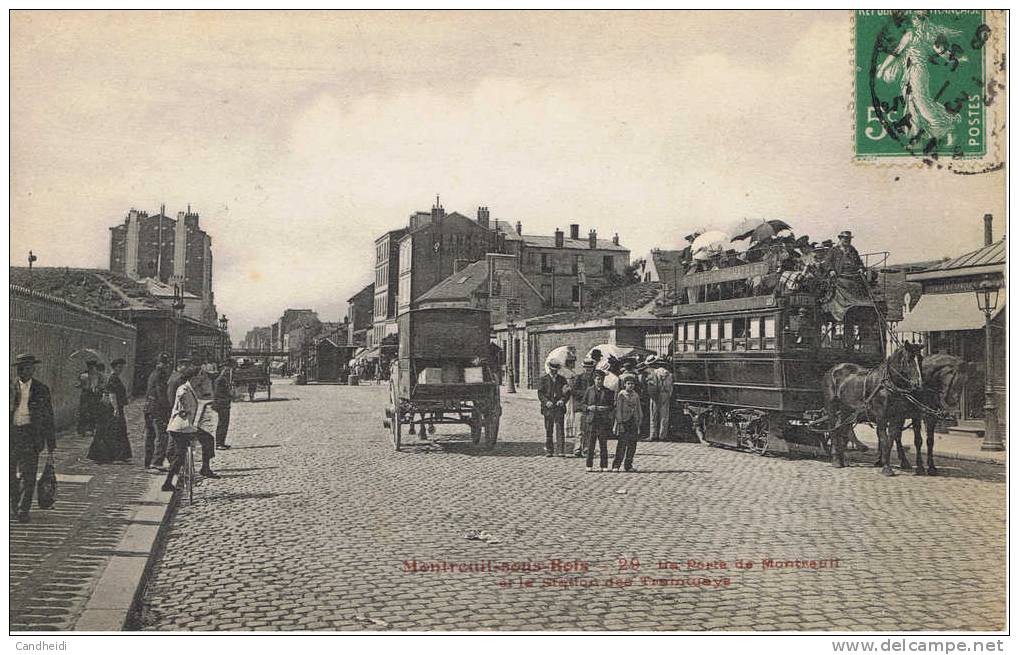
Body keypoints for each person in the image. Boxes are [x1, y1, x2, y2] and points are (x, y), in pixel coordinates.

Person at [10, 353, 56, 523]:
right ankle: (14, 504)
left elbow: (48, 418)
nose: (26, 371)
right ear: (18, 369)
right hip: (11, 435)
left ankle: (23, 509)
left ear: (33, 369)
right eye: (23, 368)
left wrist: (51, 446)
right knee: (8, 475)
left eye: (29, 368)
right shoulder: (9, 387)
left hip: (31, 436)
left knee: (29, 475)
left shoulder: (41, 389)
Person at [163, 367, 219, 492]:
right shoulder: (183, 388)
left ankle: (205, 468)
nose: (202, 378)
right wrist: (182, 407)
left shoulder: (191, 388)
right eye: (200, 375)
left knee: (208, 439)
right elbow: (181, 396)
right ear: (193, 377)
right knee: (180, 456)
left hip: (187, 427)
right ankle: (167, 483)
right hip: (179, 428)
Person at [580, 369, 614, 472]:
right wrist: (589, 408)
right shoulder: (589, 390)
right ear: (594, 380)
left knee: (603, 444)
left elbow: (612, 406)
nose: (600, 381)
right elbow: (582, 404)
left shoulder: (608, 392)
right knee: (591, 444)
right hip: (592, 421)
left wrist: (605, 408)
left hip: (603, 421)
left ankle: (604, 465)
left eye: (601, 379)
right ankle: (589, 465)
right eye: (598, 379)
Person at [144, 354, 172, 471]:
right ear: (164, 364)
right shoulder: (161, 374)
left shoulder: (152, 374)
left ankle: (148, 461)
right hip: (158, 409)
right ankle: (157, 462)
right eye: (166, 363)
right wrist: (167, 409)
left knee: (150, 436)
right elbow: (161, 394)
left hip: (149, 408)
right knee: (162, 435)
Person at [611, 374, 643, 473]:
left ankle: (628, 465)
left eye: (632, 384)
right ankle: (616, 465)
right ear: (625, 385)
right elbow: (618, 409)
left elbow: (638, 408)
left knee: (632, 444)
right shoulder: (621, 395)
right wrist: (619, 422)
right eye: (628, 384)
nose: (630, 386)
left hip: (633, 421)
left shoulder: (635, 395)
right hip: (624, 421)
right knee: (622, 444)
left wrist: (639, 420)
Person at [86, 363, 116, 463]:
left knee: (100, 430)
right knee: (102, 430)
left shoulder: (97, 377)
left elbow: (94, 389)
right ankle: (100, 454)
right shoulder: (107, 376)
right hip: (104, 405)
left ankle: (98, 454)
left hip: (100, 404)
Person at [537, 361, 569, 457]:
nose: (554, 372)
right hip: (548, 408)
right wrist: (546, 402)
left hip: (559, 408)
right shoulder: (544, 379)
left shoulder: (562, 380)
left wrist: (562, 400)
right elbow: (540, 393)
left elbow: (567, 393)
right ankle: (549, 450)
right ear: (549, 369)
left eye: (556, 370)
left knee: (560, 429)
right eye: (552, 370)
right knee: (549, 429)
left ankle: (560, 450)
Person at [105, 358, 132, 462]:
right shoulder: (113, 378)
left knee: (119, 430)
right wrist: (115, 409)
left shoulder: (115, 377)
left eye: (122, 367)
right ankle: (115, 455)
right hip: (113, 408)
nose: (121, 369)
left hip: (117, 407)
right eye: (119, 367)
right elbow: (112, 395)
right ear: (115, 367)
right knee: (115, 431)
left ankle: (120, 455)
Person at [644, 355, 674, 442]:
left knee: (653, 415)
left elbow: (651, 386)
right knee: (664, 415)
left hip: (655, 395)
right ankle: (662, 435)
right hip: (665, 394)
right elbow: (670, 387)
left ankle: (653, 435)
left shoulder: (653, 373)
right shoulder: (668, 374)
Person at [571, 358, 596, 457]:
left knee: (589, 429)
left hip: (591, 408)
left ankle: (586, 448)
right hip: (580, 407)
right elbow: (573, 391)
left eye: (590, 368)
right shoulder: (579, 378)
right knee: (579, 429)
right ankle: (577, 448)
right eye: (586, 368)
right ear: (583, 368)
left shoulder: (594, 379)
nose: (588, 370)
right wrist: (586, 393)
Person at [559, 351, 579, 454]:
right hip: (570, 396)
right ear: (570, 363)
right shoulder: (570, 373)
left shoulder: (563, 372)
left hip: (567, 395)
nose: (574, 364)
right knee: (570, 411)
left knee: (569, 412)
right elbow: (570, 386)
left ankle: (569, 430)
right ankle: (570, 430)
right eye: (573, 362)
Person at [212, 360, 235, 449]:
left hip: (223, 404)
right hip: (221, 404)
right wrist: (230, 395)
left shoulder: (223, 379)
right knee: (222, 423)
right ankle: (219, 443)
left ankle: (221, 442)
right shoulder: (220, 380)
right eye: (226, 369)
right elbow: (219, 393)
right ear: (222, 369)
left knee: (224, 424)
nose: (228, 371)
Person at [76, 360, 101, 437]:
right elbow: (79, 384)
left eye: (93, 367)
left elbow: (101, 384)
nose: (91, 368)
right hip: (86, 393)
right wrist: (80, 385)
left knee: (93, 411)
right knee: (83, 411)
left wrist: (98, 388)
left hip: (93, 394)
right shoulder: (83, 375)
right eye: (90, 367)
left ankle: (91, 429)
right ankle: (82, 429)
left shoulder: (97, 375)